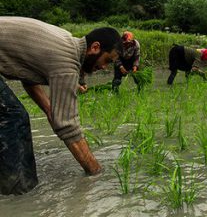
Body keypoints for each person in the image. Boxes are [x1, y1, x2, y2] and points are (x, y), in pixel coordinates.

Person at [0, 17, 122, 195]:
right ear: (95, 48)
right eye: (107, 60)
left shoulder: (67, 40)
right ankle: (18, 194)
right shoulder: (66, 62)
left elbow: (27, 76)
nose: (104, 67)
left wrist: (49, 110)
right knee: (13, 117)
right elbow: (67, 126)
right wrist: (96, 173)